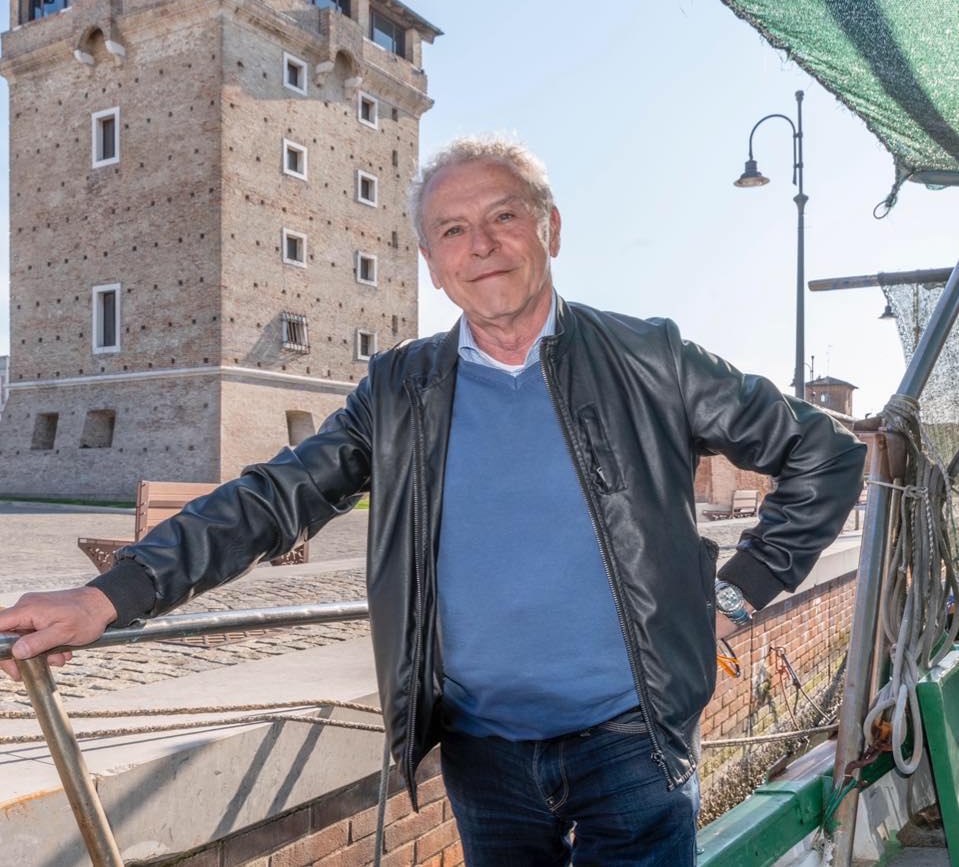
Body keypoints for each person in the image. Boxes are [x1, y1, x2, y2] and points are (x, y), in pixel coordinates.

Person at [0, 137, 865, 866]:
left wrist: (737, 591)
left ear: (550, 228)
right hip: (481, 751)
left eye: (503, 216)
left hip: (632, 739)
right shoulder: (398, 388)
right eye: (452, 229)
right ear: (431, 261)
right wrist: (110, 594)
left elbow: (823, 453)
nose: (480, 244)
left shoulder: (650, 359)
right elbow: (274, 499)